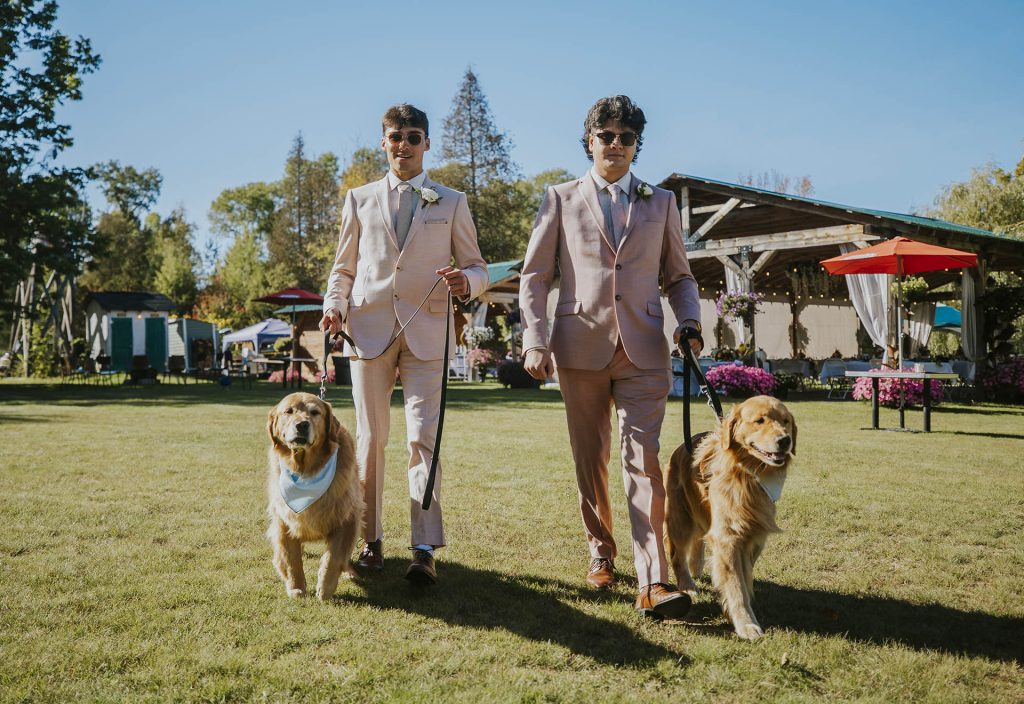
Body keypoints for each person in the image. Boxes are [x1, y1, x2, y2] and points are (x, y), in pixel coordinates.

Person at [519, 95, 702, 619]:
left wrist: (688, 321)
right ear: (590, 141)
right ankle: (601, 551)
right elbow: (534, 278)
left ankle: (654, 580)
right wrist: (535, 339)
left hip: (645, 348)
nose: (616, 144)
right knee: (591, 461)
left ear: (637, 144)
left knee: (643, 463)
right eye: (607, 136)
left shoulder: (661, 201)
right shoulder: (559, 198)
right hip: (578, 347)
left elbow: (680, 276)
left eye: (626, 137)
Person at [320, 104, 488, 586]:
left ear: (427, 144)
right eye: (396, 136)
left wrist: (467, 283)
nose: (404, 145)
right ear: (383, 142)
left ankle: (423, 548)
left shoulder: (451, 201)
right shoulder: (359, 198)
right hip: (368, 332)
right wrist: (335, 305)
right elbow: (343, 269)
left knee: (423, 441)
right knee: (370, 441)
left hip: (429, 332)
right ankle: (368, 542)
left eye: (413, 137)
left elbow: (476, 265)